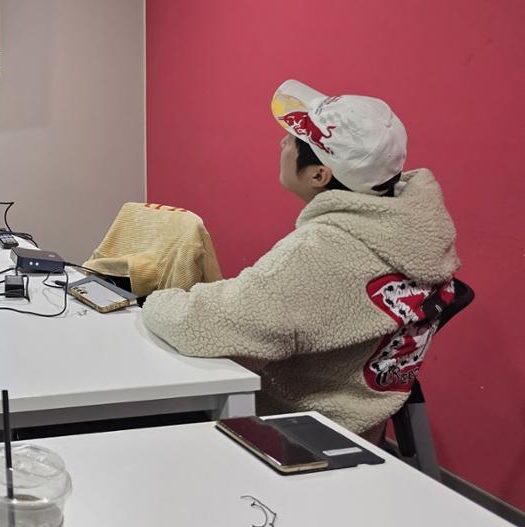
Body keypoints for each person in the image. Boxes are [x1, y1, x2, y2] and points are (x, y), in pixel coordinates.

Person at [141, 79, 460, 436]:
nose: (282, 142)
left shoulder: (322, 254)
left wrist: (153, 301)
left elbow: (200, 325)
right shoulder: (419, 232)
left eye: (294, 140)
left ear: (318, 174)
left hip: (295, 428)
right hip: (366, 421)